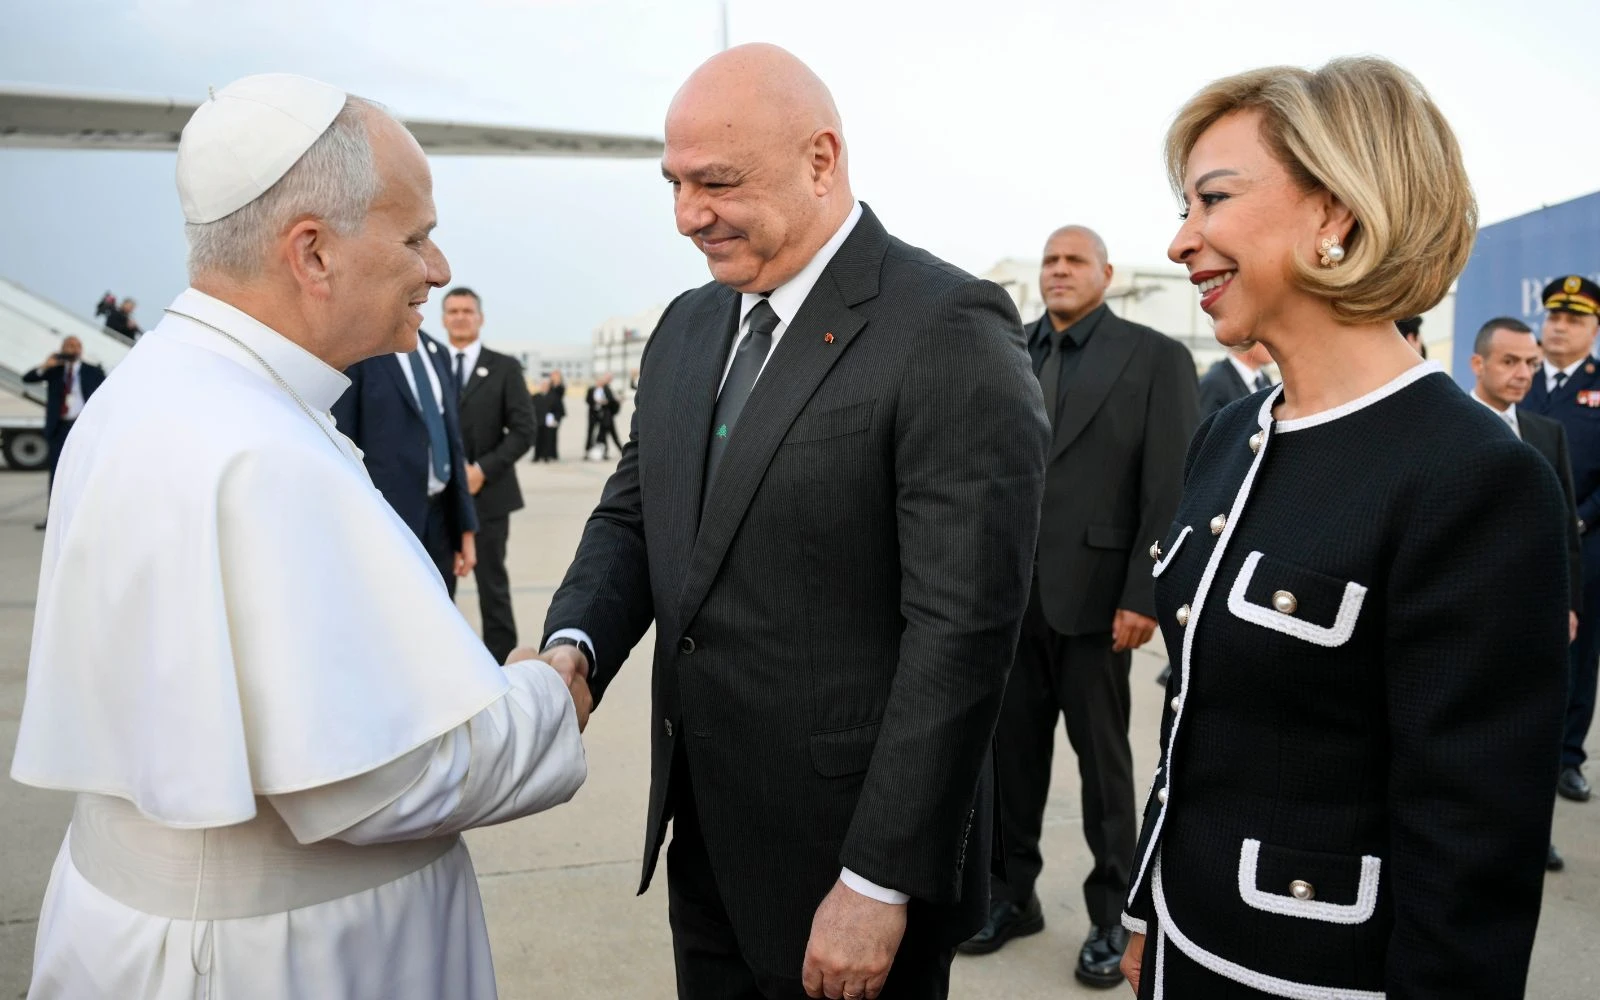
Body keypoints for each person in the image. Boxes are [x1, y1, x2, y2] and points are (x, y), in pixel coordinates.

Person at [10, 73, 590, 1000]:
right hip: (277, 963)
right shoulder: (257, 447)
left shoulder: (160, 391)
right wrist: (547, 697)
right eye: (415, 237)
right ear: (312, 252)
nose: (438, 270)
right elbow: (383, 777)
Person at [539, 44, 1047, 1000]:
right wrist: (576, 646)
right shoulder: (689, 325)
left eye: (718, 182)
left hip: (846, 868)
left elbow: (963, 633)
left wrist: (879, 880)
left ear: (821, 160)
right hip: (706, 838)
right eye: (675, 183)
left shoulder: (947, 326)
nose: (688, 215)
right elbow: (638, 512)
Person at [1119, 58, 1567, 1000]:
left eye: (1213, 199)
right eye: (1184, 206)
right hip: (1181, 945)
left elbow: (1471, 854)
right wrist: (1147, 908)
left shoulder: (1476, 478)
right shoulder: (1229, 432)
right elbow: (1193, 716)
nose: (1181, 240)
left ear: (1339, 214)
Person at [960, 226, 1197, 988]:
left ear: (1106, 273)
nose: (1058, 271)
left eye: (1073, 261)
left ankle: (1116, 915)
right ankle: (1011, 896)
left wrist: (1144, 593)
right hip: (1009, 598)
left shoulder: (1155, 357)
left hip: (1099, 604)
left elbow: (1168, 486)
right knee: (1009, 761)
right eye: (1049, 261)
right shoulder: (1005, 350)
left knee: (1105, 770)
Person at [1469, 315, 1584, 873]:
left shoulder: (1546, 433)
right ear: (1478, 364)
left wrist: (1569, 602)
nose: (1522, 374)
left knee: (1531, 731)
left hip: (1534, 613)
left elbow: (1565, 528)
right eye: (1510, 362)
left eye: (1531, 364)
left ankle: (1531, 836)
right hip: (1466, 614)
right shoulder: (1448, 425)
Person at [1520, 274, 1600, 805]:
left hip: (1584, 539)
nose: (1560, 327)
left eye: (1573, 319)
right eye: (1554, 316)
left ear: (1594, 330)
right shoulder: (1518, 376)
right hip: (1514, 534)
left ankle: (1567, 757)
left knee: (1579, 648)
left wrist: (1578, 520)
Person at [332, 328, 478, 595]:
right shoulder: (360, 350)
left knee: (442, 609)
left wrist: (465, 529)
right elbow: (342, 441)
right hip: (388, 519)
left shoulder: (438, 352)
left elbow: (453, 442)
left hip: (441, 520)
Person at [446, 286, 537, 664]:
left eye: (467, 311)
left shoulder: (504, 367)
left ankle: (504, 668)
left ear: (480, 318)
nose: (460, 317)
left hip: (489, 497)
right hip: (440, 499)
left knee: (493, 588)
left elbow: (524, 430)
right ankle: (445, 667)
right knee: (435, 587)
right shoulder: (430, 363)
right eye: (453, 311)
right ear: (443, 319)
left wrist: (482, 470)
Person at [22, 335, 106, 529]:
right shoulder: (54, 370)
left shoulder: (92, 371)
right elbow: (28, 378)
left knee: (84, 471)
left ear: (81, 349)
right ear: (62, 349)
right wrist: (46, 365)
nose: (71, 349)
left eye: (75, 346)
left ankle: (83, 518)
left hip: (83, 428)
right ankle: (53, 519)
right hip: (60, 428)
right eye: (68, 346)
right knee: (57, 474)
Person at [1196, 341, 1273, 417]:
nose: (1273, 344)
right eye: (1265, 337)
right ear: (1246, 340)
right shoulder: (1214, 383)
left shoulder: (1264, 379)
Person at [586, 371, 624, 459]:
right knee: (591, 433)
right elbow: (588, 400)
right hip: (594, 415)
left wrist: (609, 402)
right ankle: (588, 451)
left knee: (607, 434)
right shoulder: (591, 389)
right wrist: (595, 402)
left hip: (606, 416)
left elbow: (612, 401)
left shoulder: (607, 389)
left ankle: (613, 451)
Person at [537, 369, 567, 461]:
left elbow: (559, 393)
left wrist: (557, 382)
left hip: (556, 413)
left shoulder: (560, 387)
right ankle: (545, 453)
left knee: (553, 434)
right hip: (547, 413)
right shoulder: (549, 385)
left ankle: (553, 453)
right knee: (547, 434)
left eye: (556, 375)